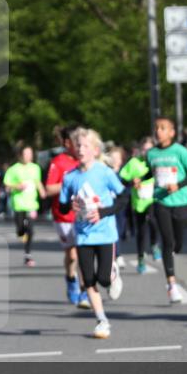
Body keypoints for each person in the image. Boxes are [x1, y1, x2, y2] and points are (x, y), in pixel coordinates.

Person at [59, 128, 128, 339]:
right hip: (83, 235)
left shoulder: (104, 172)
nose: (80, 149)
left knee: (103, 280)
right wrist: (70, 206)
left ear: (95, 150)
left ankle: (112, 273)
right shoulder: (70, 177)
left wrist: (103, 212)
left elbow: (124, 198)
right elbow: (62, 207)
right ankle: (102, 321)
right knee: (88, 279)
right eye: (78, 145)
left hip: (105, 233)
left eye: (85, 146)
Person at [146, 117, 187, 304]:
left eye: (163, 128)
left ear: (172, 132)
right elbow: (147, 174)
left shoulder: (180, 151)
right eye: (156, 128)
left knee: (177, 243)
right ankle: (171, 285)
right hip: (160, 201)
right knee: (167, 242)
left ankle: (175, 249)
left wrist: (178, 185)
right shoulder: (151, 154)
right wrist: (138, 181)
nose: (158, 131)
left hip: (181, 200)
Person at [45, 126, 88, 308]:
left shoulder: (86, 160)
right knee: (71, 255)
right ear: (67, 142)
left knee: (83, 253)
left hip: (84, 215)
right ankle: (71, 278)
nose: (79, 144)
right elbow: (49, 189)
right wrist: (69, 182)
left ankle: (85, 291)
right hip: (63, 216)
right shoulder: (58, 162)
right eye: (75, 140)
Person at [119, 137, 160, 274]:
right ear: (140, 149)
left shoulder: (155, 162)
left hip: (153, 199)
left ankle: (154, 245)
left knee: (153, 221)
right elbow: (122, 179)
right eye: (144, 149)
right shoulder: (133, 163)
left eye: (150, 149)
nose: (147, 152)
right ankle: (141, 258)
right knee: (141, 231)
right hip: (139, 201)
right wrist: (132, 181)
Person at [3, 144, 45, 267]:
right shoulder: (13, 169)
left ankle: (28, 255)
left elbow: (37, 181)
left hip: (32, 204)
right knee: (21, 230)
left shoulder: (35, 168)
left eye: (30, 154)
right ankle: (20, 231)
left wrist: (42, 191)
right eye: (26, 154)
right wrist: (17, 186)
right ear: (20, 155)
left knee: (31, 230)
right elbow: (7, 185)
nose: (28, 156)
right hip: (18, 204)